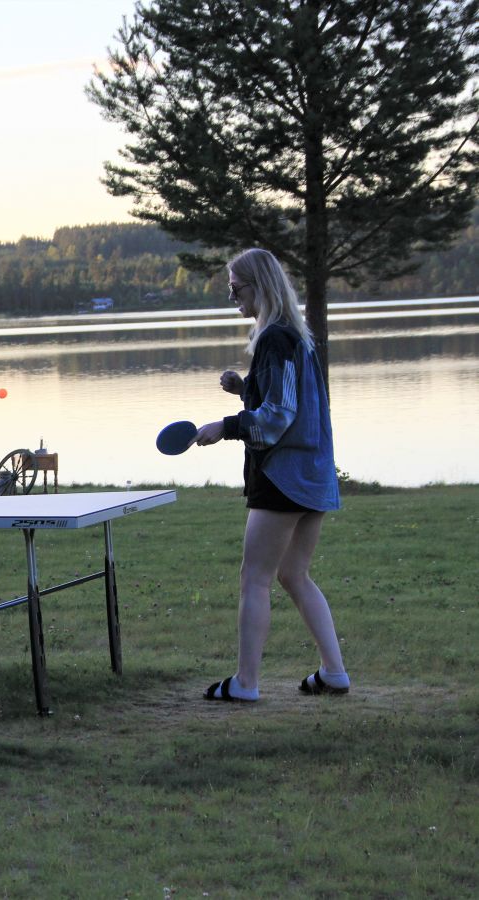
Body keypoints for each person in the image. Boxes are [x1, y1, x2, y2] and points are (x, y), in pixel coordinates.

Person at [193, 248, 350, 702]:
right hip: (314, 476)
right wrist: (247, 389)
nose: (231, 296)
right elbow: (290, 402)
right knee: (294, 574)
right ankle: (334, 673)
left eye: (236, 288)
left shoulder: (275, 339)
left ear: (260, 286)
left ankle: (245, 683)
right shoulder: (298, 338)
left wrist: (225, 427)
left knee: (255, 577)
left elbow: (278, 417)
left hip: (283, 478)